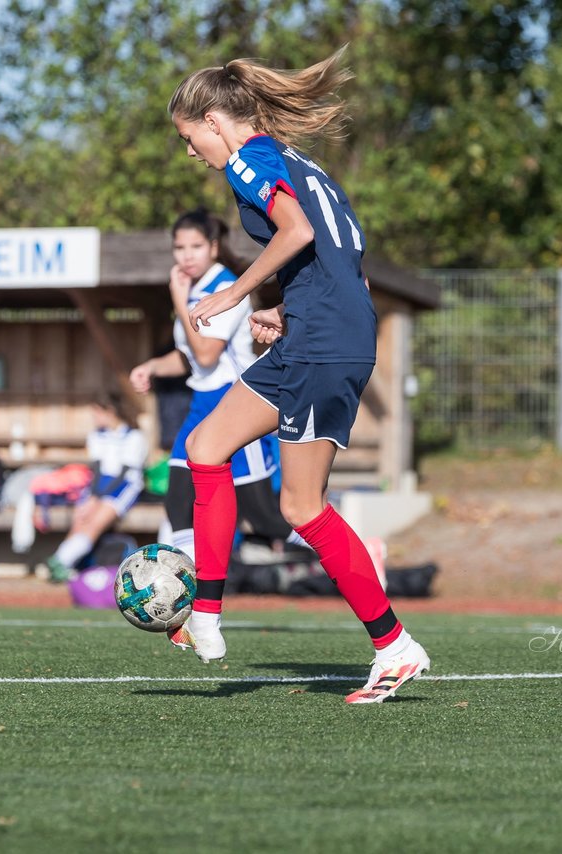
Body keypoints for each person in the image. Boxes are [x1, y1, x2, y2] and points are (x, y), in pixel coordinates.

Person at [166, 46, 428, 704]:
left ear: (215, 122)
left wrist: (237, 294)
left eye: (189, 138)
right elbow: (348, 264)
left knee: (300, 507)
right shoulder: (301, 164)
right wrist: (286, 309)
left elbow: (295, 231)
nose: (191, 152)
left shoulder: (252, 159)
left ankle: (395, 646)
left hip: (326, 346)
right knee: (205, 447)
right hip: (318, 337)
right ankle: (206, 615)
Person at [128, 208, 295, 562]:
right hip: (202, 404)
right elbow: (190, 357)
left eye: (195, 246)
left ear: (214, 247)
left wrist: (177, 297)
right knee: (178, 504)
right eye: (179, 247)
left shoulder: (225, 288)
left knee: (264, 517)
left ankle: (353, 552)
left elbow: (206, 355)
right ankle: (184, 592)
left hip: (236, 402)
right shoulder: (195, 288)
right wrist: (152, 367)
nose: (186, 255)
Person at [44, 392, 148, 581]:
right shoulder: (97, 436)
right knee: (80, 518)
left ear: (110, 412)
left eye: (97, 412)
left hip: (124, 485)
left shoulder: (134, 436)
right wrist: (92, 497)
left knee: (94, 522)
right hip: (100, 485)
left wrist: (98, 499)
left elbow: (124, 474)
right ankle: (61, 563)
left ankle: (61, 561)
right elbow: (97, 470)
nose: (94, 417)